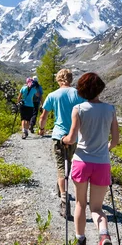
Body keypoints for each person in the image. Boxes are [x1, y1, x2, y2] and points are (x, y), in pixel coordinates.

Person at [61, 72, 119, 245]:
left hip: (81, 162)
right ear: (100, 88)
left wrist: (63, 140)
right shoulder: (110, 109)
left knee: (80, 204)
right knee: (97, 209)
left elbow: (72, 138)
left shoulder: (78, 109)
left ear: (82, 90)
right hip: (102, 163)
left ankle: (79, 244)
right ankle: (104, 237)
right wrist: (104, 149)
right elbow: (116, 140)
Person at [38, 69, 85, 217]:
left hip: (58, 135)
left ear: (59, 80)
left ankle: (64, 198)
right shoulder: (78, 94)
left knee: (60, 167)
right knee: (69, 162)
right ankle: (64, 190)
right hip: (74, 136)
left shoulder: (53, 95)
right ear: (71, 79)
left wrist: (41, 129)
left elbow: (44, 116)